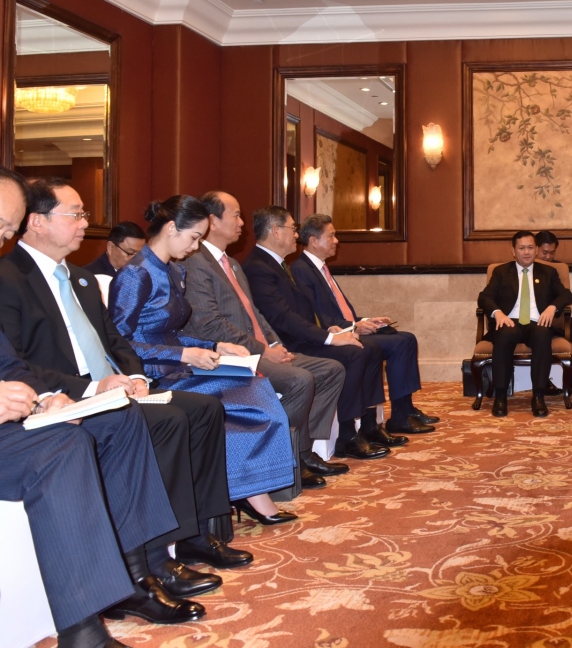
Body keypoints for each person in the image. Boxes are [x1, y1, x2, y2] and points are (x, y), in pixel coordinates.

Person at [0, 178, 252, 602]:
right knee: (165, 420)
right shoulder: (8, 278)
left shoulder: (81, 279)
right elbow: (19, 362)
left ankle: (194, 534)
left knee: (203, 409)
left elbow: (116, 341)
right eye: (75, 214)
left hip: (113, 387)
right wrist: (91, 387)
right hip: (67, 394)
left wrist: (136, 377)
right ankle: (152, 559)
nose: (85, 223)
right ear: (37, 221)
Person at [109, 195, 298, 527]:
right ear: (171, 228)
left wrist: (216, 345)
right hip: (152, 375)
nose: (196, 247)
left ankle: (250, 487)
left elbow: (172, 333)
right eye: (194, 237)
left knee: (253, 384)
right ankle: (248, 490)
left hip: (178, 365)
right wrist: (184, 354)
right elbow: (118, 343)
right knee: (243, 397)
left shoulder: (172, 270)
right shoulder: (136, 273)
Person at [182, 192, 348, 490]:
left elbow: (254, 312)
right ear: (212, 221)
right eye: (235, 215)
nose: (242, 223)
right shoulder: (196, 263)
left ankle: (303, 450)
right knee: (299, 380)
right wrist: (261, 350)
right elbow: (210, 324)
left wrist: (272, 344)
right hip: (229, 355)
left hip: (258, 349)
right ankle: (285, 459)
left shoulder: (232, 263)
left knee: (330, 370)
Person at [242, 206, 393, 459]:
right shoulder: (259, 267)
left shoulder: (278, 263)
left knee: (369, 347)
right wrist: (330, 338)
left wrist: (327, 328)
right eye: (292, 229)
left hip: (300, 336)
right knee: (354, 352)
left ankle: (367, 426)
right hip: (287, 343)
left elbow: (302, 310)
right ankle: (347, 436)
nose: (296, 235)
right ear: (276, 231)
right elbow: (282, 318)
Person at [291, 213, 437, 436]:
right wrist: (354, 327)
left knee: (406, 338)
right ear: (313, 241)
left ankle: (405, 409)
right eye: (331, 236)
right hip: (334, 335)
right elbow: (317, 317)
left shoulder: (320, 268)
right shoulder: (301, 270)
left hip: (348, 327)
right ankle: (398, 417)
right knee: (396, 344)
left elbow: (338, 309)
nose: (336, 241)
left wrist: (365, 320)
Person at [477, 230, 572, 418]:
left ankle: (538, 397)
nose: (526, 252)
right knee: (504, 335)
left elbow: (566, 295)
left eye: (530, 247)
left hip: (537, 322)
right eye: (522, 248)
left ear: (536, 250)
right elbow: (484, 297)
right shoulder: (501, 272)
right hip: (509, 322)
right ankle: (500, 397)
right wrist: (498, 313)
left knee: (543, 334)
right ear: (513, 251)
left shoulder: (549, 272)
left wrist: (552, 307)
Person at [536, 230, 572, 395]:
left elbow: (565, 296)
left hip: (556, 317)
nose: (548, 257)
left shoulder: (557, 269)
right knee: (541, 334)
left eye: (551, 253)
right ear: (535, 249)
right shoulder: (526, 268)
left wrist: (554, 308)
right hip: (533, 319)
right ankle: (543, 380)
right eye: (544, 252)